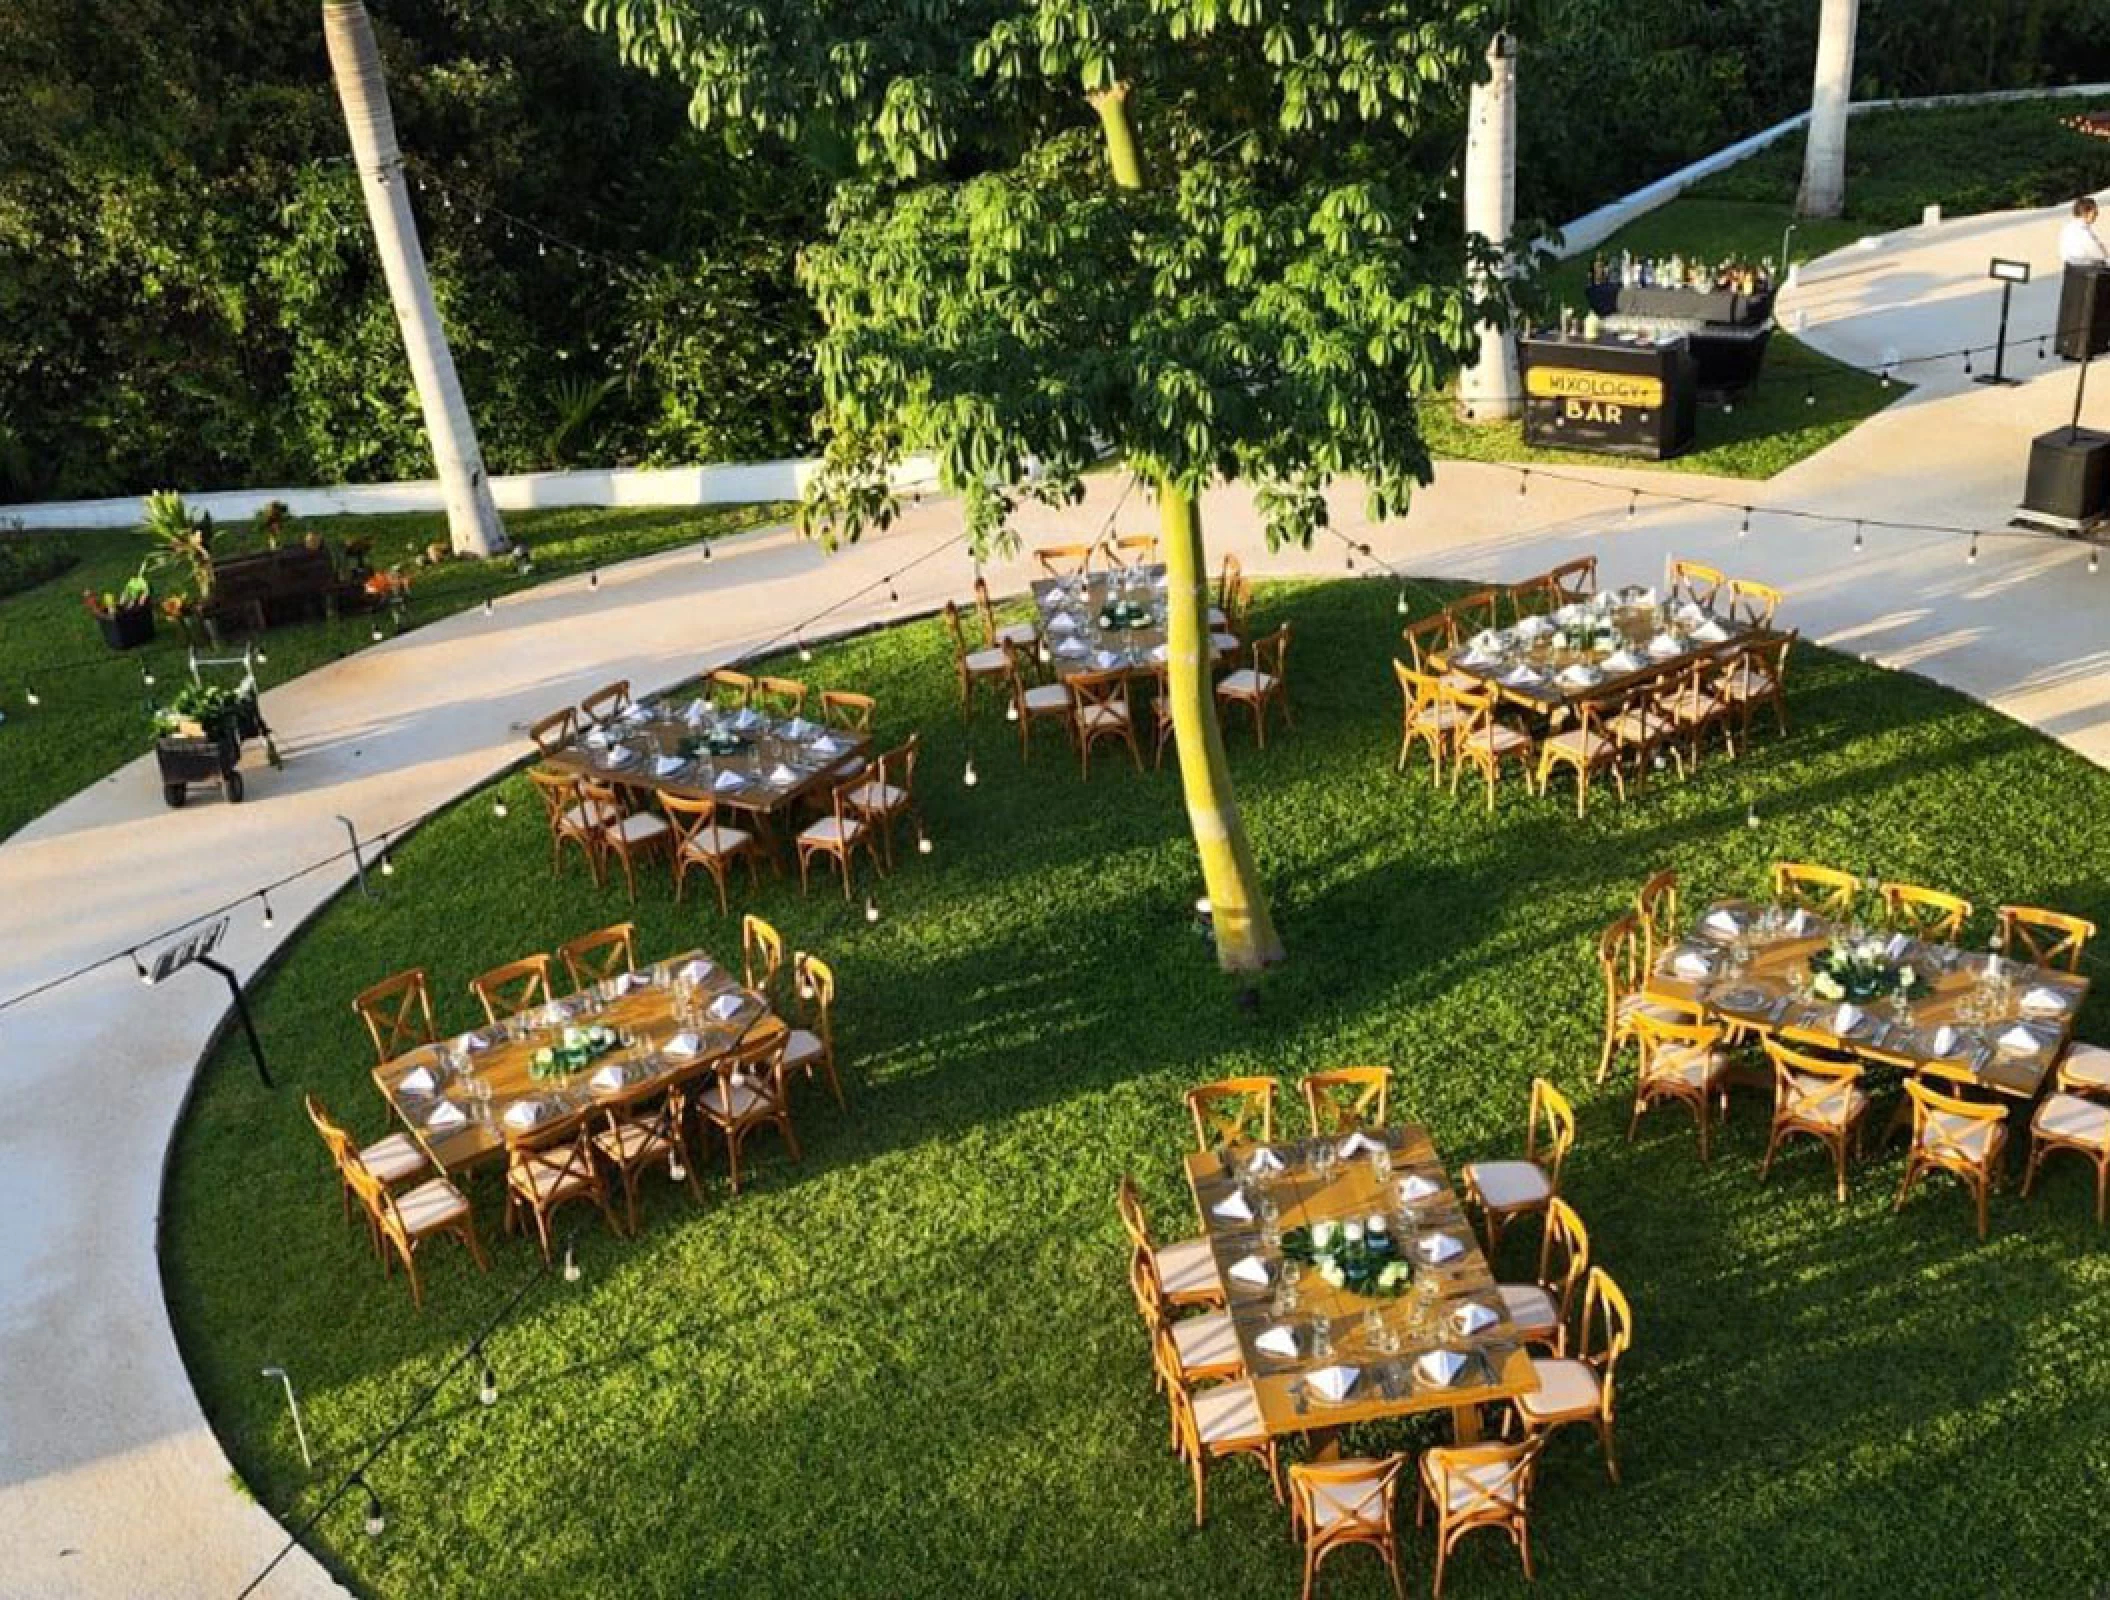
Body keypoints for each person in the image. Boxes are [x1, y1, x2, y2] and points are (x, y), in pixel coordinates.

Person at [2060, 196, 2108, 267]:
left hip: (2071, 271)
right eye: (2095, 212)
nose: (2096, 215)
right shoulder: (2082, 230)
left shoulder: (2068, 228)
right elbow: (2099, 253)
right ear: (2085, 213)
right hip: (2088, 272)